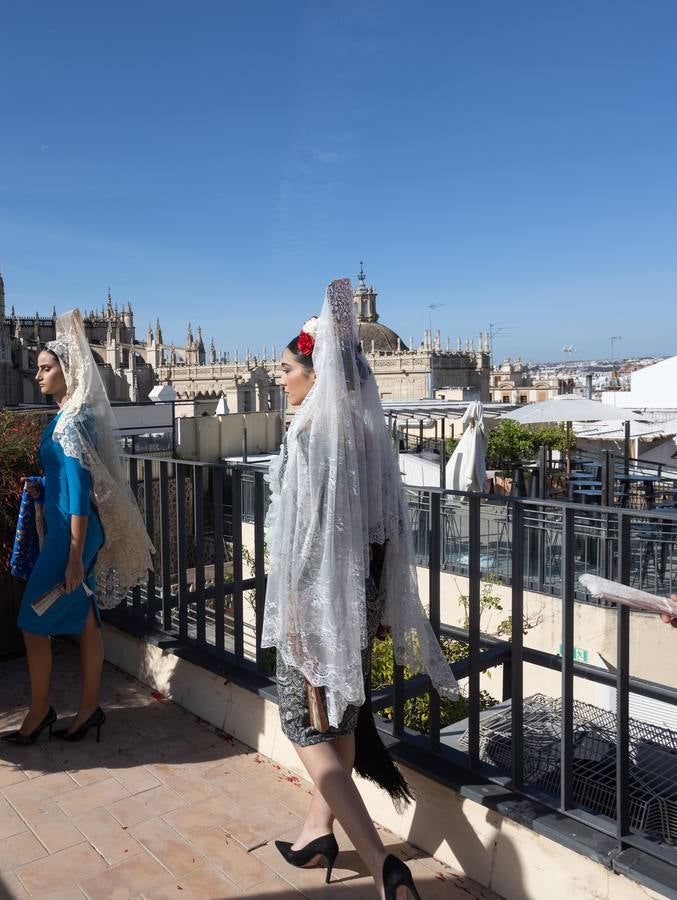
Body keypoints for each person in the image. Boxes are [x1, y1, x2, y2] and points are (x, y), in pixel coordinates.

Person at [262, 279, 459, 900]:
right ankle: (317, 833)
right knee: (340, 717)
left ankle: (381, 863)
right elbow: (384, 529)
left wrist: (294, 609)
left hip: (313, 601)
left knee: (303, 726)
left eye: (288, 369)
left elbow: (303, 537)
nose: (281, 379)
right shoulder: (370, 437)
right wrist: (375, 604)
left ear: (314, 373)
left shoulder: (311, 437)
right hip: (359, 596)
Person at [0, 309, 153, 745]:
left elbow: (81, 489)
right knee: (85, 619)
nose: (38, 374)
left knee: (32, 620)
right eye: (39, 367)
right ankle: (87, 711)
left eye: (47, 368)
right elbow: (64, 480)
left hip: (72, 532)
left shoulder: (74, 422)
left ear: (67, 371)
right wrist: (41, 487)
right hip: (70, 524)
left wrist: (72, 557)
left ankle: (41, 711)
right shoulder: (67, 415)